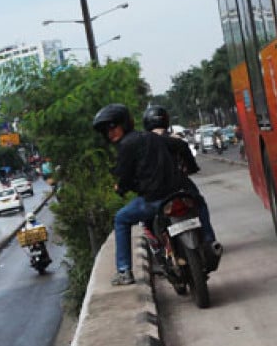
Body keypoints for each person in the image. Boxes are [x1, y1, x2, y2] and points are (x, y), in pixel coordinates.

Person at [94, 103, 189, 286]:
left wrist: (120, 188)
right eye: (106, 129)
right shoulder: (152, 137)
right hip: (176, 192)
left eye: (113, 126)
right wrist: (189, 167)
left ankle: (124, 271)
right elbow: (180, 145)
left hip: (154, 200)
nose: (110, 132)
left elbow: (123, 176)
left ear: (124, 124)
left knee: (121, 218)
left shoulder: (126, 146)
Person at [143, 105, 220, 264]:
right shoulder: (175, 140)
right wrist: (191, 168)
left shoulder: (143, 144)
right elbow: (189, 161)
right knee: (200, 203)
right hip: (181, 185)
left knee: (147, 217)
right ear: (166, 121)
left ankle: (160, 250)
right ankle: (209, 239)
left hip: (155, 190)